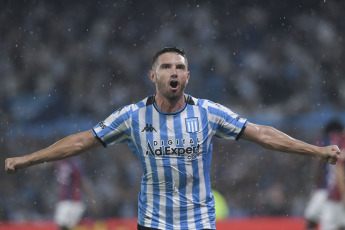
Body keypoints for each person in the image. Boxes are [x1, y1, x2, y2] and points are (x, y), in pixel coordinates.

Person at [5, 47, 341, 230]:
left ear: (188, 76)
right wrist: (27, 158)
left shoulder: (208, 112)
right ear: (153, 76)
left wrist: (314, 151)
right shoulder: (132, 116)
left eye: (180, 67)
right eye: (166, 67)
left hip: (198, 224)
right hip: (153, 224)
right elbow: (81, 141)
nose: (174, 72)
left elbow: (261, 133)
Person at [304, 120, 344, 230]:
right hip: (339, 193)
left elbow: (317, 167)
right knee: (340, 224)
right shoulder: (343, 141)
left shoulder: (323, 141)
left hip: (324, 190)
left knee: (311, 220)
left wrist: (314, 186)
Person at [54, 157, 99, 230]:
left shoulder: (74, 163)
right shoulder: (59, 162)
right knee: (65, 226)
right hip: (65, 200)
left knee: (63, 226)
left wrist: (93, 198)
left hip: (74, 201)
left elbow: (84, 181)